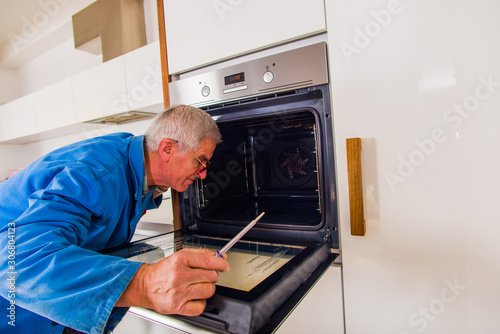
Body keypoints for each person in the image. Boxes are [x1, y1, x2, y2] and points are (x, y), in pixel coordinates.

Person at [0, 105, 230, 334]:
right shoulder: (95, 174)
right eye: (199, 161)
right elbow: (17, 260)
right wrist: (145, 285)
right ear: (167, 149)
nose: (203, 173)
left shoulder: (134, 159)